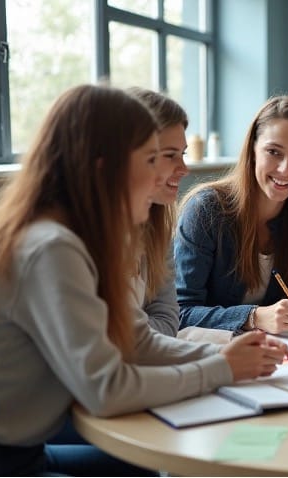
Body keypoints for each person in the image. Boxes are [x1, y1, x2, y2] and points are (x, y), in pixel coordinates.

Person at [0, 84, 288, 476]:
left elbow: (135, 339)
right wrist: (222, 368)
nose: (161, 175)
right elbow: (107, 391)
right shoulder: (52, 248)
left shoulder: (82, 238)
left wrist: (233, 357)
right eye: (152, 159)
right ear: (106, 167)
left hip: (20, 450)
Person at [175, 95, 288, 335]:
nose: (285, 169)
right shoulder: (204, 211)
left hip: (279, 355)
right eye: (273, 152)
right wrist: (254, 317)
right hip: (215, 358)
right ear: (252, 150)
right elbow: (180, 312)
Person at [127, 87, 191, 336]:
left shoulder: (156, 228)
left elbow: (168, 319)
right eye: (169, 155)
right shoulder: (78, 240)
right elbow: (113, 338)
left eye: (182, 154)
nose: (184, 169)